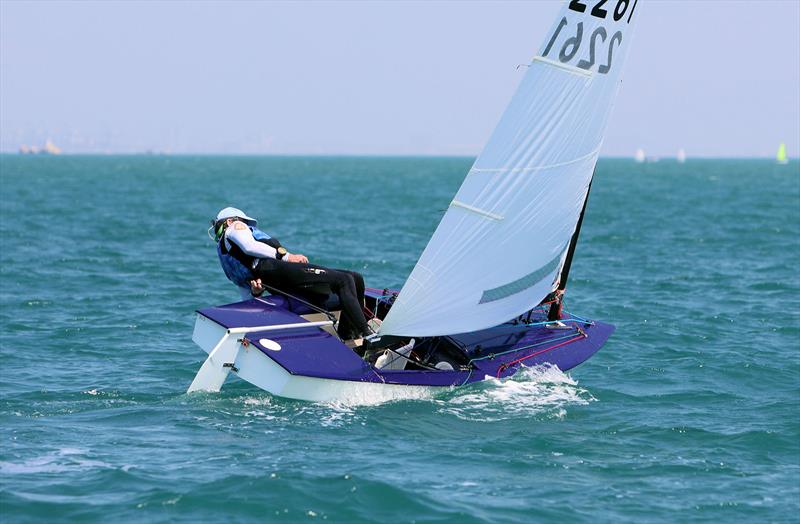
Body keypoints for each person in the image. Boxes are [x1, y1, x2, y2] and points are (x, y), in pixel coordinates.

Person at [211, 207, 373, 340]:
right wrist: (286, 256)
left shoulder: (228, 256)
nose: (245, 225)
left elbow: (247, 296)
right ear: (231, 220)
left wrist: (256, 294)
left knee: (355, 278)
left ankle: (348, 333)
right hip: (275, 270)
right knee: (344, 280)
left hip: (278, 278)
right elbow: (249, 246)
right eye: (244, 221)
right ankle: (368, 335)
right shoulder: (234, 227)